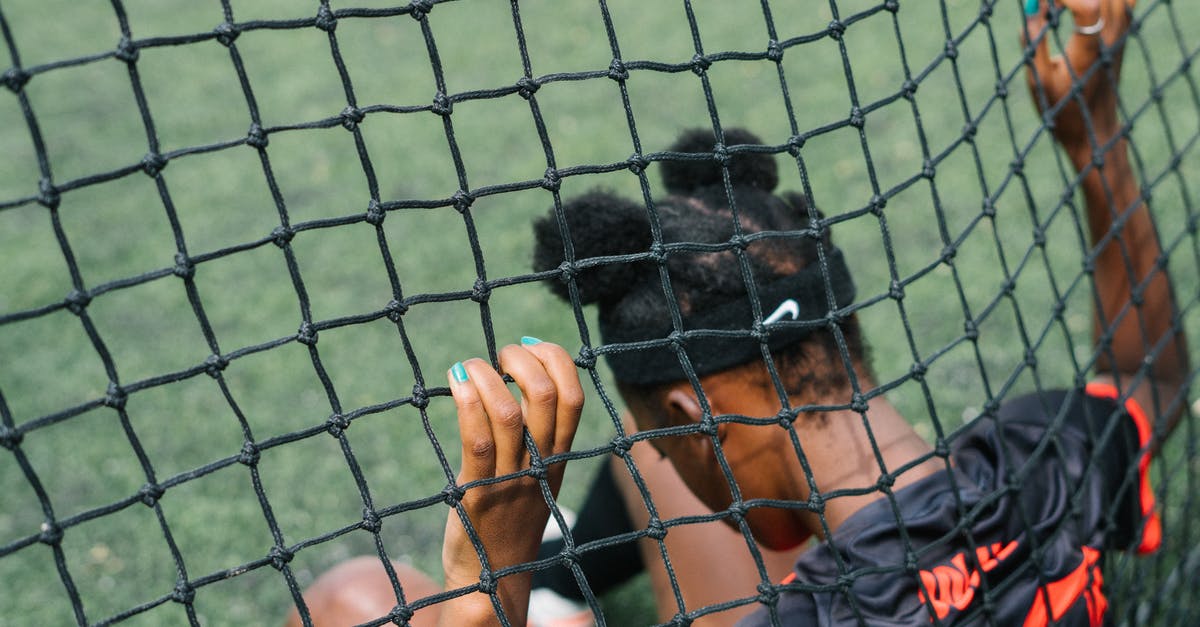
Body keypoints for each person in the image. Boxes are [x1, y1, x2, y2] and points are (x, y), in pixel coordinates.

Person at [284, 0, 1190, 624]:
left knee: (356, 600)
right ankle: (570, 570)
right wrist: (1091, 124)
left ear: (695, 411)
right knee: (658, 463)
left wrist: (493, 584)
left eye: (671, 426)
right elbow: (1152, 374)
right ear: (845, 337)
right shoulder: (1043, 461)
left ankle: (548, 580)